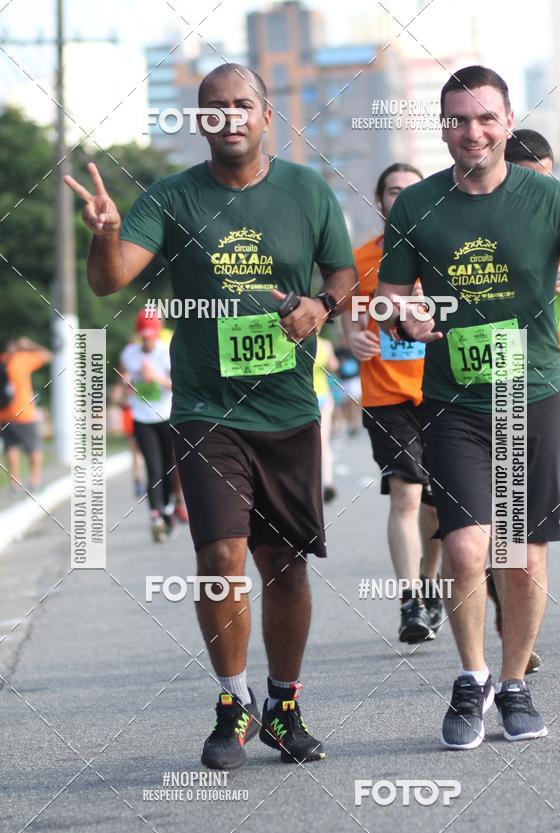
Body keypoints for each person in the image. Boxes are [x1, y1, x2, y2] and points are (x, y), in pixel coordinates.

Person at [65, 63, 356, 769]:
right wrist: (103, 232)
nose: (228, 117)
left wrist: (323, 307)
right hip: (204, 409)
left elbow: (342, 274)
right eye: (213, 108)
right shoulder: (169, 198)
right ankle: (234, 701)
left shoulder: (306, 191)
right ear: (199, 120)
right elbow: (109, 278)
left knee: (282, 564)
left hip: (287, 407)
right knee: (220, 556)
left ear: (264, 115)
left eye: (241, 105)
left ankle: (284, 704)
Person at [376, 65, 560, 748]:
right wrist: (405, 315)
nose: (471, 132)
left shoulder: (549, 198)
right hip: (454, 401)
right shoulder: (418, 207)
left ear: (506, 122)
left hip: (531, 394)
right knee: (469, 544)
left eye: (485, 118)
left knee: (523, 557)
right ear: (442, 127)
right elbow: (390, 294)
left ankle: (514, 685)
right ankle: (471, 678)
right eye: (457, 120)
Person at [485, 128, 560, 672]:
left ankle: (511, 620)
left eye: (548, 183)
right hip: (485, 386)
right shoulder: (481, 219)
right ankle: (512, 624)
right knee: (501, 517)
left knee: (519, 521)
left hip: (558, 392)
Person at [344, 163, 442, 644]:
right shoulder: (361, 259)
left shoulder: (443, 250)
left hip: (444, 390)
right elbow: (344, 311)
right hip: (387, 396)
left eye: (410, 191)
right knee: (406, 492)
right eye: (392, 191)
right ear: (380, 200)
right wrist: (351, 340)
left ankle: (430, 585)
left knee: (439, 504)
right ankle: (409, 602)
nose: (401, 198)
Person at [120, 310, 176, 542]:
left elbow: (177, 384)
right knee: (152, 469)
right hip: (142, 418)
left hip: (166, 416)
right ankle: (155, 516)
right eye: (143, 336)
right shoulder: (129, 354)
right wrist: (127, 385)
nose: (147, 340)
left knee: (169, 470)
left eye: (150, 336)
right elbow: (125, 379)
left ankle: (168, 509)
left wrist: (156, 377)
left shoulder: (166, 353)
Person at [0, 337, 52, 492]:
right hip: (24, 413)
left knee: (11, 447)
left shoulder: (2, 361)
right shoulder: (22, 359)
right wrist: (30, 345)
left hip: (3, 414)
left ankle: (15, 483)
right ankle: (35, 481)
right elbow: (48, 355)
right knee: (34, 447)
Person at [313, 335, 338, 503]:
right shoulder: (325, 344)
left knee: (308, 442)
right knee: (324, 441)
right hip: (324, 396)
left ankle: (314, 484)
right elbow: (334, 366)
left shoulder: (296, 341)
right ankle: (328, 482)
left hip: (307, 396)